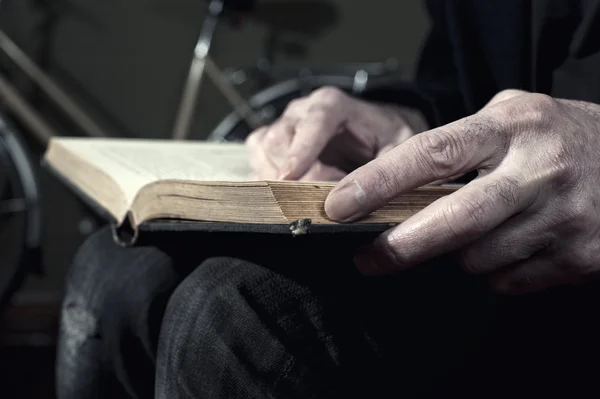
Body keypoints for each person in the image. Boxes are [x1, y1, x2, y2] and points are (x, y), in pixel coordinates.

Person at [57, 0, 600, 398]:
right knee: (119, 267)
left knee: (234, 313)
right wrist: (404, 120)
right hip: (491, 210)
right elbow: (466, 79)